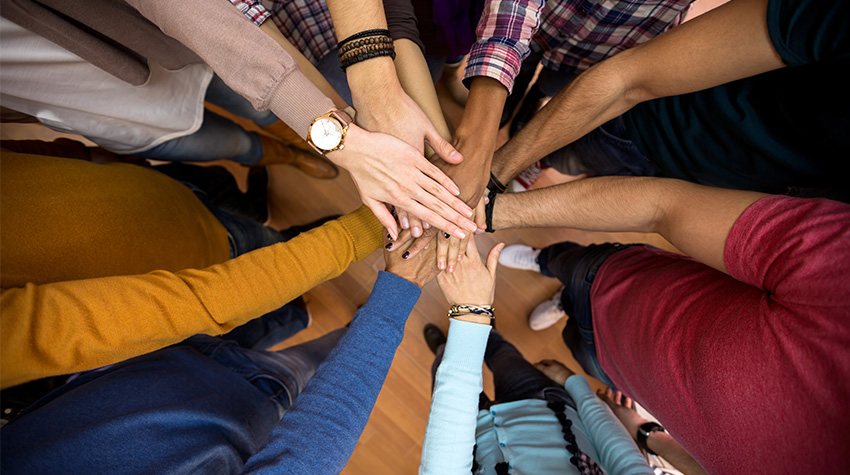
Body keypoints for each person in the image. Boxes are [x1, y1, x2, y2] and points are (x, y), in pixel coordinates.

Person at [0, 0, 477, 241]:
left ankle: (293, 150)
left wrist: (360, 118)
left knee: (255, 108)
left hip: (191, 37)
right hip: (136, 60)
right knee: (224, 136)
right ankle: (287, 153)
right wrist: (347, 134)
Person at [481, 174, 850, 472]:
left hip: (617, 374)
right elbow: (665, 207)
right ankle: (544, 259)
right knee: (566, 261)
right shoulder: (840, 283)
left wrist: (645, 436)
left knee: (572, 337)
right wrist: (493, 211)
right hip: (615, 280)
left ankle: (564, 300)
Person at [0, 236, 438, 474]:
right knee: (313, 362)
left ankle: (324, 326)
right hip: (251, 396)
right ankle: (346, 330)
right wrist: (392, 297)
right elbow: (304, 456)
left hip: (149, 359)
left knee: (267, 328)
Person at [0, 145, 386, 388]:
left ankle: (265, 217)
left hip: (147, 185)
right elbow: (196, 302)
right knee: (267, 244)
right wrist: (372, 224)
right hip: (206, 254)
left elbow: (23, 154)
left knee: (220, 191)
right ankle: (288, 237)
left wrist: (99, 158)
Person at [488, 0, 848, 198]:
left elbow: (662, 210)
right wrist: (493, 172)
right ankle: (523, 145)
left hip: (698, 186)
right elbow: (630, 79)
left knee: (558, 124)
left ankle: (525, 147)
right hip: (651, 122)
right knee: (561, 138)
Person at [418, 236, 655, 474]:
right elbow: (621, 454)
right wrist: (574, 383)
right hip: (542, 404)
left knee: (442, 370)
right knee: (503, 355)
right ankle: (486, 333)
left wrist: (470, 317)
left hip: (470, 445)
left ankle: (446, 347)